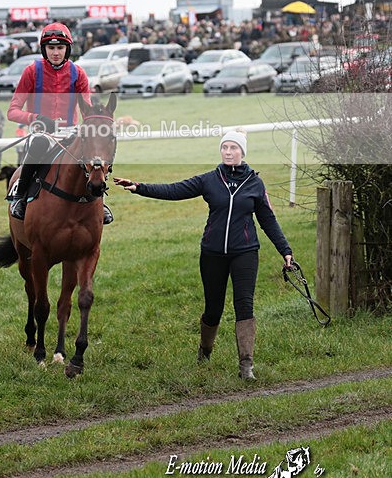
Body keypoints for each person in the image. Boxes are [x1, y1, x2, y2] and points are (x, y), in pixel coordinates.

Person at [113, 130, 293, 381]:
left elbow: (268, 220)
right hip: (212, 253)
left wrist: (285, 251)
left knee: (245, 305)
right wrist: (139, 187)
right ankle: (205, 350)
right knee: (213, 309)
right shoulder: (211, 179)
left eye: (233, 148)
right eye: (225, 147)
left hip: (245, 252)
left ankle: (246, 365)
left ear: (243, 152)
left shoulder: (255, 183)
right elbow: (175, 190)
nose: (228, 152)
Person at [7, 22, 98, 221]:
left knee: (94, 153)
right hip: (42, 134)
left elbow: (87, 111)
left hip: (70, 132)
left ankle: (101, 203)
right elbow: (12, 112)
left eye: (60, 48)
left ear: (67, 49)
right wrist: (36, 118)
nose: (55, 53)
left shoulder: (78, 73)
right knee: (39, 143)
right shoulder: (31, 72)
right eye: (51, 48)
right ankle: (20, 197)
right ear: (43, 49)